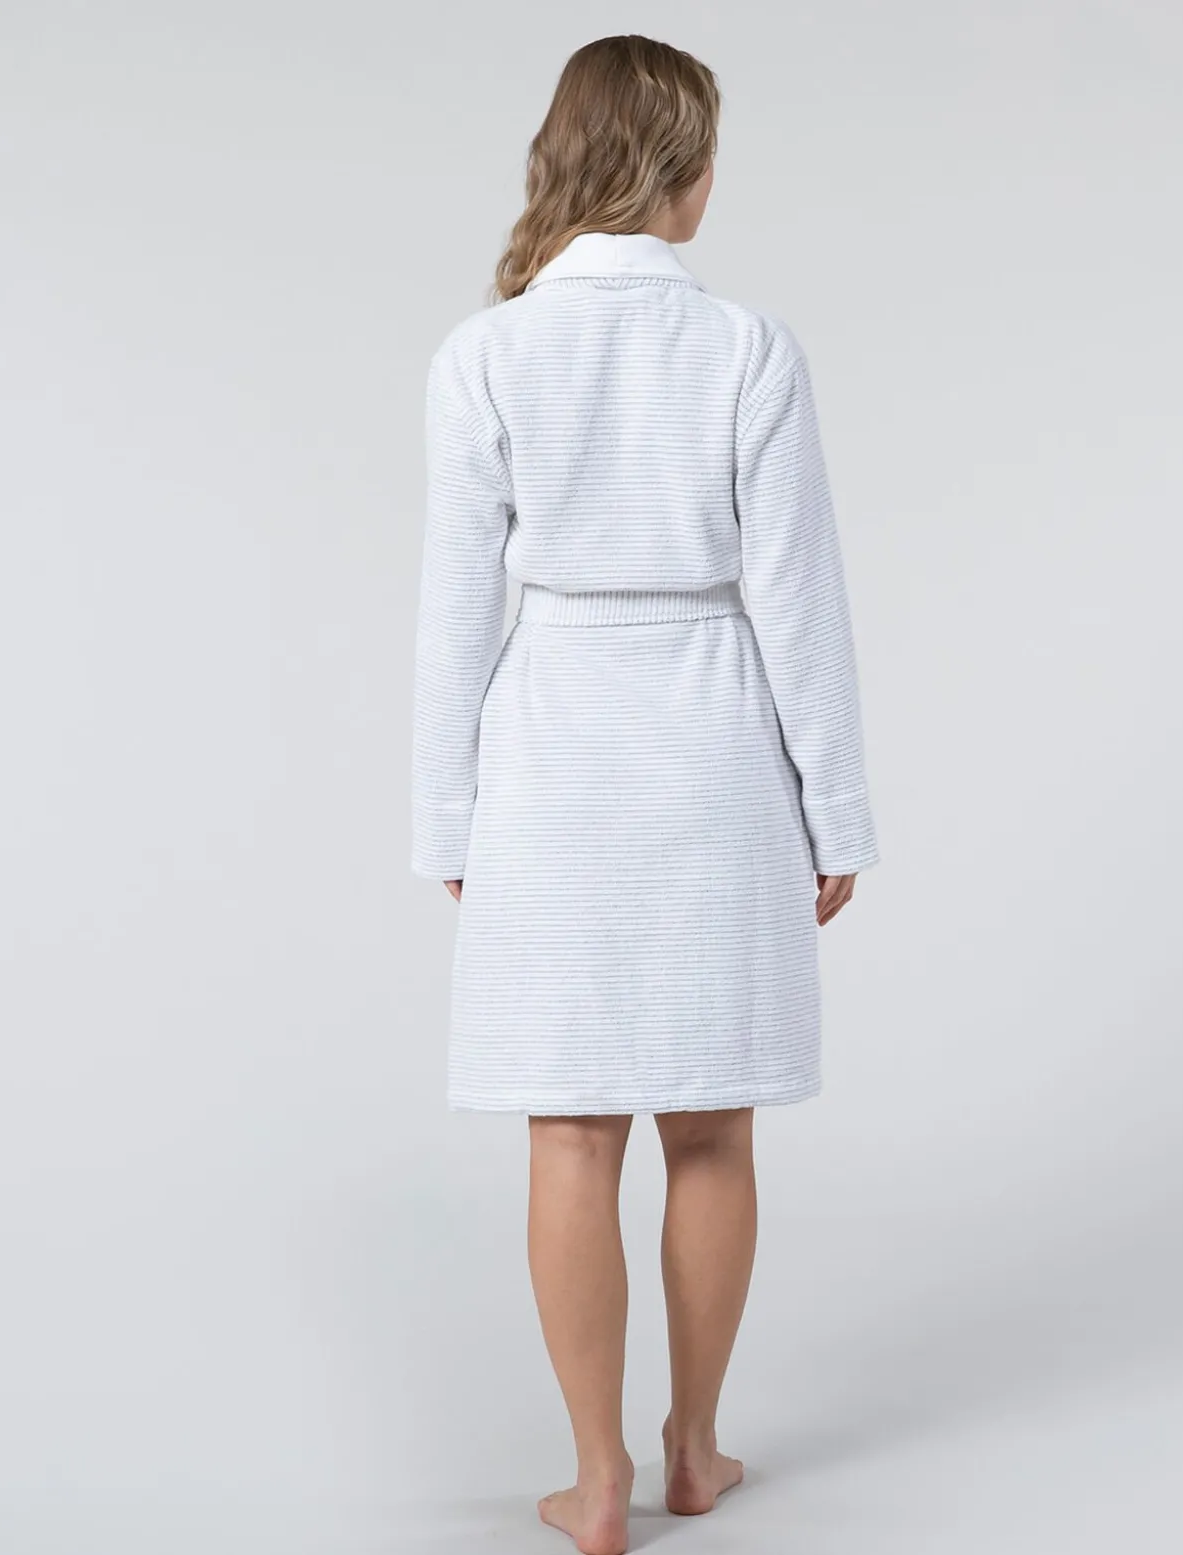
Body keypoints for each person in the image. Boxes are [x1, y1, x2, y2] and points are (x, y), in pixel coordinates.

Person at [410, 33, 878, 1555]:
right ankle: (693, 1447)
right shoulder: (748, 349)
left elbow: (453, 616)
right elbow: (799, 600)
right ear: (689, 174)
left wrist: (447, 815)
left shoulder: (484, 355)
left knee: (569, 1132)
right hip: (714, 753)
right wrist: (836, 812)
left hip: (549, 761)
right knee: (712, 1130)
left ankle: (596, 1478)